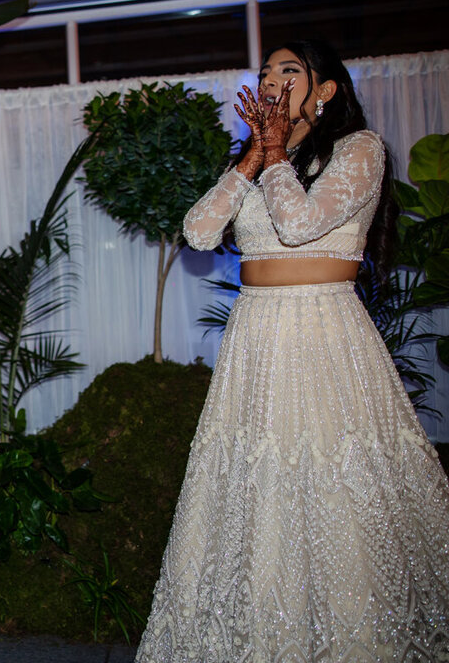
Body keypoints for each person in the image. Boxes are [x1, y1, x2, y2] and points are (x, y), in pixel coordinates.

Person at [136, 39, 449, 661]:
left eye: (289, 70)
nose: (272, 79)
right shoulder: (263, 158)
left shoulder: (360, 149)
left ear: (324, 89)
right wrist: (254, 156)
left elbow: (301, 225)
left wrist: (276, 153)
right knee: (258, 481)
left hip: (324, 330)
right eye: (264, 72)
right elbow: (198, 231)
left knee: (335, 477)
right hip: (257, 334)